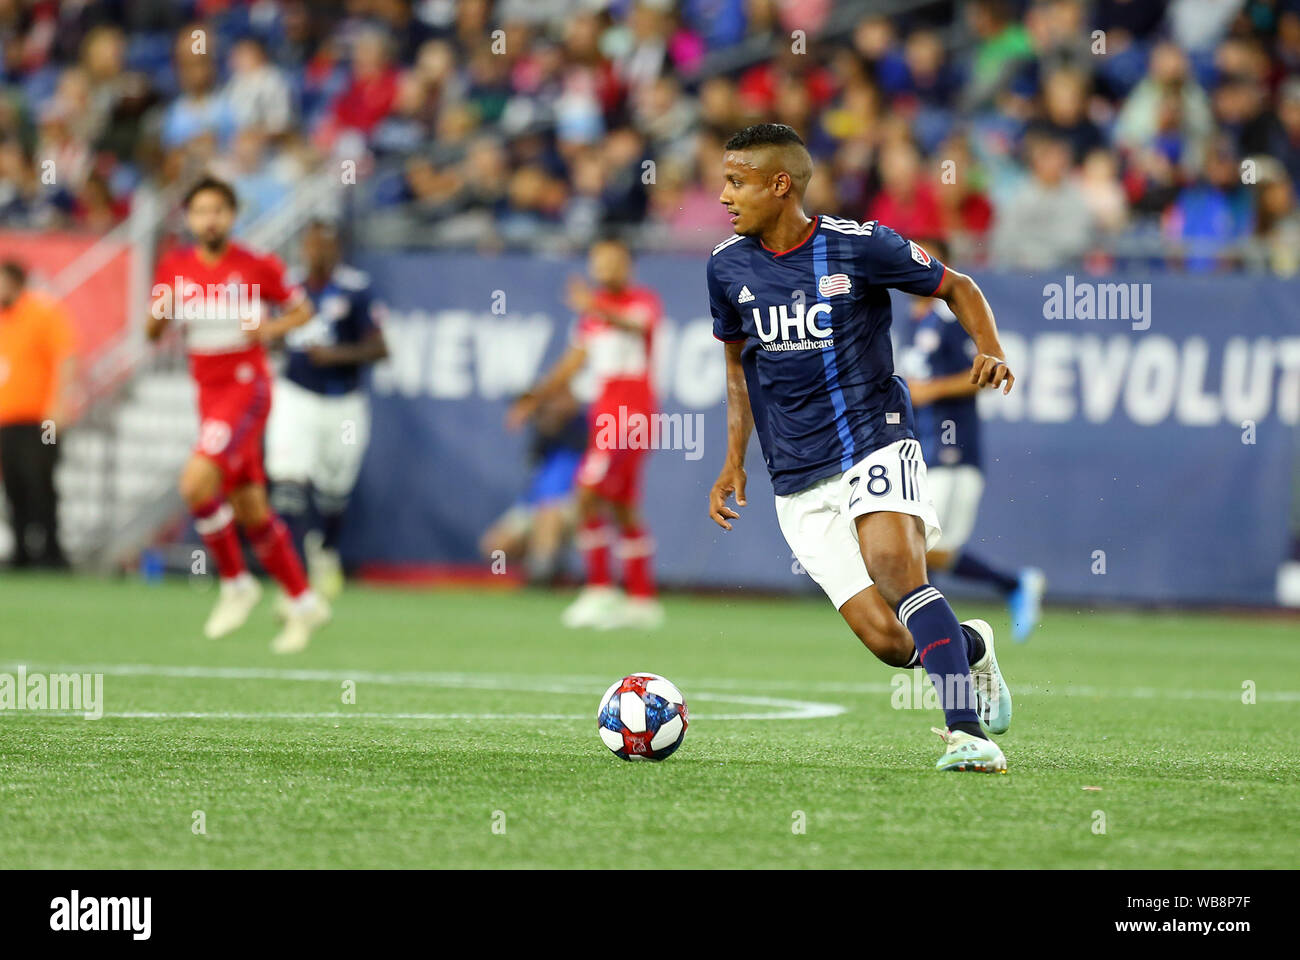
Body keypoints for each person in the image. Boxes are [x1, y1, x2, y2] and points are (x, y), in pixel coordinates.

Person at [706, 123, 1015, 773]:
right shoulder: (726, 265)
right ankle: (969, 647)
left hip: (875, 438)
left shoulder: (861, 246)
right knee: (888, 642)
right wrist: (734, 457)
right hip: (795, 473)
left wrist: (989, 346)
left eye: (737, 181)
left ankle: (968, 732)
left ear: (779, 184)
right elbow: (738, 366)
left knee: (900, 572)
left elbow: (956, 285)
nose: (724, 194)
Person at [148, 175, 327, 653]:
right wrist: (160, 310)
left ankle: (236, 583)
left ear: (232, 216)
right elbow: (152, 331)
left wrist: (268, 328)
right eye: (201, 210)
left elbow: (303, 310)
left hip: (246, 388)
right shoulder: (175, 266)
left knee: (195, 485)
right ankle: (304, 601)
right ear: (189, 218)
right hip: (207, 392)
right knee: (251, 508)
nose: (210, 219)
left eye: (219, 210)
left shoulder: (255, 265)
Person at [508, 238, 663, 629]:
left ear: (627, 264)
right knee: (623, 504)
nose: (606, 267)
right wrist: (534, 397)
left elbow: (634, 324)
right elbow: (571, 364)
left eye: (613, 260)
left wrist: (592, 305)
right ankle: (643, 600)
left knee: (587, 492)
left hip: (631, 416)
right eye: (599, 261)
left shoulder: (640, 302)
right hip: (605, 414)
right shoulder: (592, 318)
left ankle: (599, 589)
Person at [899, 239, 1045, 641]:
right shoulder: (913, 320)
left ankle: (934, 638)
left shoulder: (950, 318)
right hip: (922, 447)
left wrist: (932, 390)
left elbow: (985, 373)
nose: (916, 267)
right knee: (933, 552)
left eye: (926, 259)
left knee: (918, 549)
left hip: (952, 447)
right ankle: (1011, 584)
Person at [266, 220, 387, 601]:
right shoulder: (289, 287)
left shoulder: (356, 289)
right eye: (312, 245)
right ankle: (293, 576)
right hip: (296, 396)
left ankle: (325, 552)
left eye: (326, 245)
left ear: (338, 249)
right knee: (288, 482)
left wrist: (335, 355)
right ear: (303, 248)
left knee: (334, 491)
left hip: (343, 401)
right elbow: (271, 333)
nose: (318, 252)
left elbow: (381, 349)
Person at [0, 260, 74, 568]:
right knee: (13, 485)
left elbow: (66, 357)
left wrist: (59, 405)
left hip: (40, 420)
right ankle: (21, 551)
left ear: (17, 282)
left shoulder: (42, 312)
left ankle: (51, 550)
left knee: (40, 481)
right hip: (6, 420)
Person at [480, 386, 585, 586]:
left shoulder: (583, 428)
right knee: (495, 548)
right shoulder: (540, 440)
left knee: (548, 514)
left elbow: (567, 420)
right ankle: (505, 578)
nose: (543, 410)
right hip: (532, 507)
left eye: (549, 404)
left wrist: (549, 409)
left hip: (570, 507)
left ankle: (542, 579)